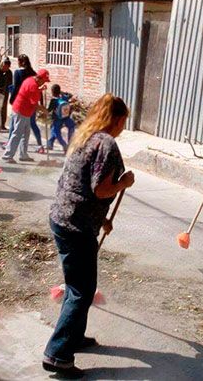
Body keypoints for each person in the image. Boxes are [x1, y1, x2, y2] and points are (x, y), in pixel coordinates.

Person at [43, 94, 135, 377]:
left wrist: (102, 218)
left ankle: (73, 336)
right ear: (117, 120)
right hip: (76, 226)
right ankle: (57, 354)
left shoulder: (85, 136)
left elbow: (80, 186)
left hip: (63, 218)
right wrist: (124, 183)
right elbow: (99, 189)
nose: (122, 127)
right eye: (123, 122)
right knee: (82, 291)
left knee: (76, 286)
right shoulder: (106, 143)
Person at [2, 69, 50, 163]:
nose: (44, 82)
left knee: (25, 133)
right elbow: (35, 104)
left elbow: (32, 93)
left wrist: (40, 89)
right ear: (40, 78)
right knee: (17, 133)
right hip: (21, 111)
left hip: (25, 111)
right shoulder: (33, 86)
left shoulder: (30, 80)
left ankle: (23, 155)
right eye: (44, 80)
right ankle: (7, 155)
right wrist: (45, 110)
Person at [8, 54, 45, 153]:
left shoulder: (17, 73)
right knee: (32, 125)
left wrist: (11, 100)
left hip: (21, 102)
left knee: (14, 125)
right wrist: (41, 103)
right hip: (31, 103)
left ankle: (8, 147)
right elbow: (37, 89)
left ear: (20, 62)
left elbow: (16, 88)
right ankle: (39, 145)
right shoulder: (33, 73)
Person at [46, 84, 76, 153]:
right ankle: (50, 144)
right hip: (66, 118)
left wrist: (44, 112)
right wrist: (61, 92)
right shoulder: (64, 97)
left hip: (57, 119)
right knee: (72, 126)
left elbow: (49, 110)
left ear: (52, 92)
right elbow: (70, 95)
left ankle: (64, 145)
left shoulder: (53, 100)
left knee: (56, 132)